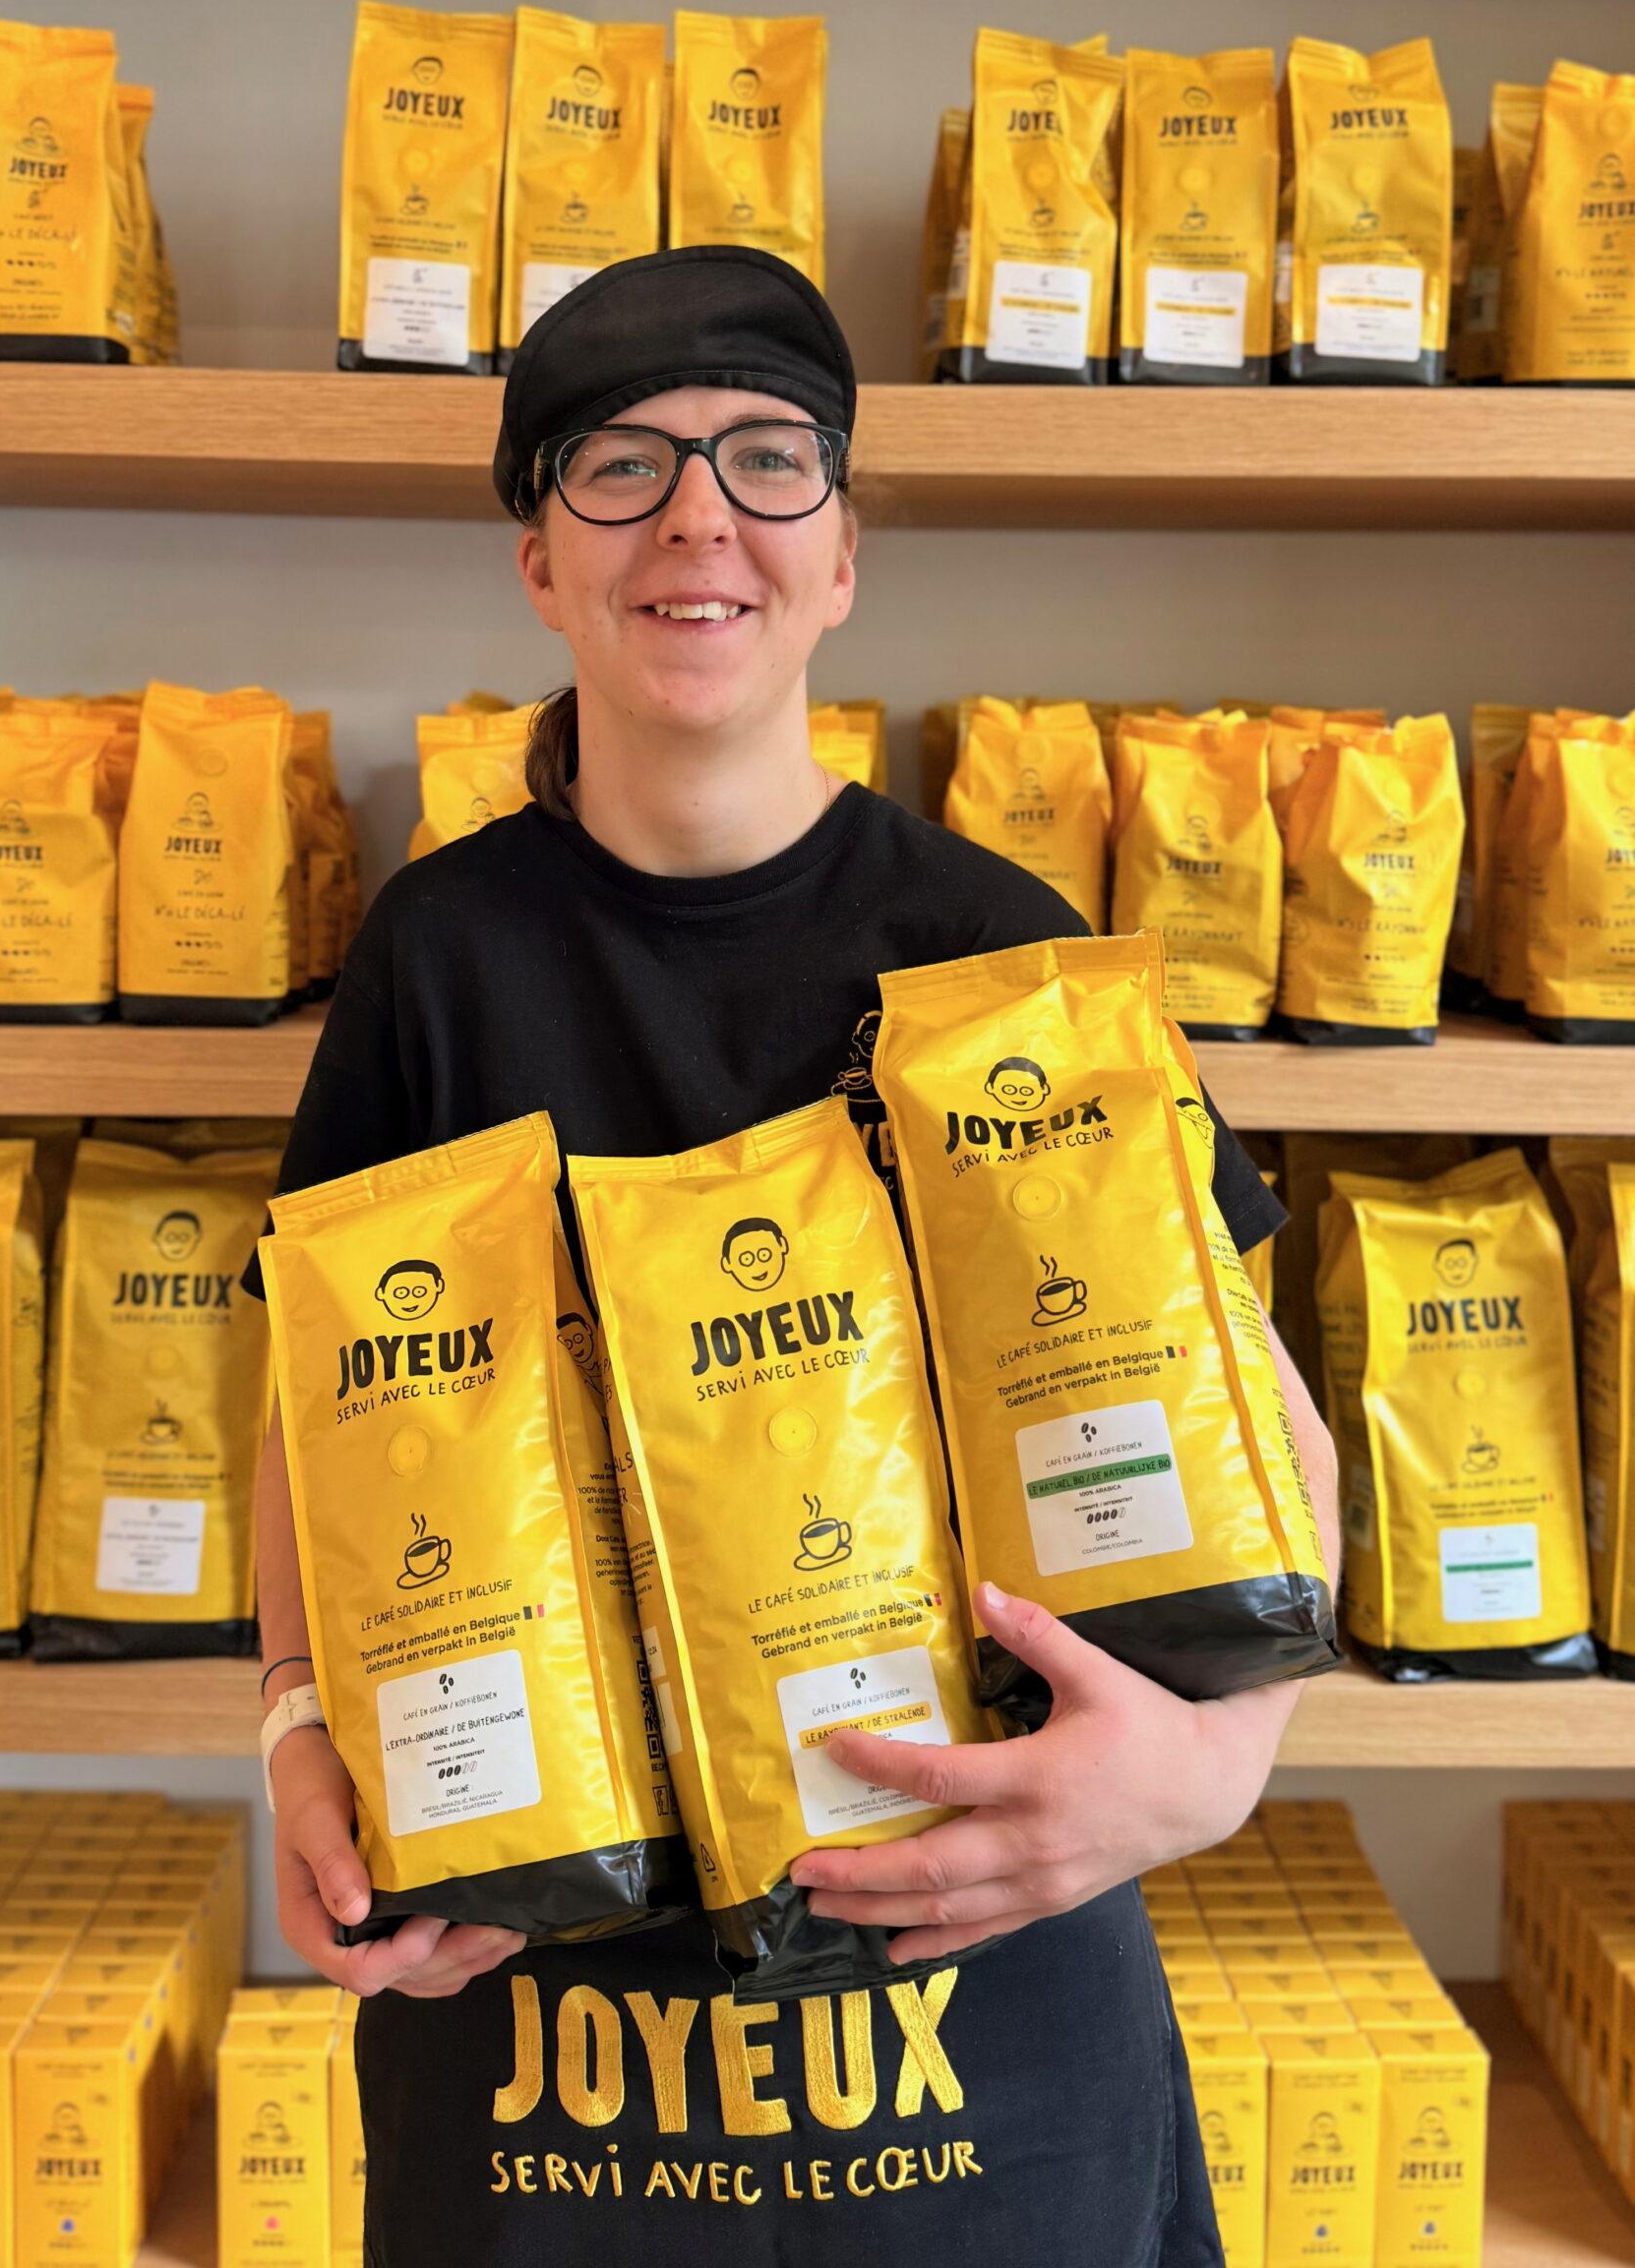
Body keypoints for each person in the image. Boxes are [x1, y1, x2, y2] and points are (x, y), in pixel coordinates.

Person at [240, 245, 1341, 2267]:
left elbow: (1258, 1420)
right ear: (539, 564)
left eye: (767, 460)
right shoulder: (441, 956)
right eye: (620, 466)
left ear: (840, 557)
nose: (697, 519)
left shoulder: (999, 949)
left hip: (975, 2000)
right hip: (559, 2030)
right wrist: (299, 1730)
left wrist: (1209, 1773)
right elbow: (316, 1418)